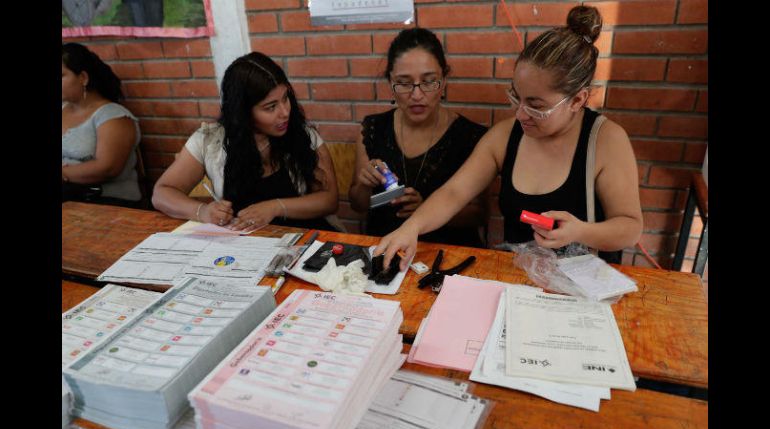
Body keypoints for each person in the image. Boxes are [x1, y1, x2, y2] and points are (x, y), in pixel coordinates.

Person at [375, 5, 642, 269]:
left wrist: (580, 231)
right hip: (519, 277)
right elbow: (454, 193)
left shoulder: (606, 140)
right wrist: (412, 227)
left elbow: (630, 228)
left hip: (583, 282)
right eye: (516, 97)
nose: (520, 114)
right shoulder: (505, 136)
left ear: (577, 100)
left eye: (536, 106)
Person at [152, 52, 340, 232]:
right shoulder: (210, 140)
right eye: (271, 107)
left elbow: (329, 200)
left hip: (303, 237)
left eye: (285, 98)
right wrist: (203, 211)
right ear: (243, 112)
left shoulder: (304, 135)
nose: (285, 112)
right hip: (243, 242)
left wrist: (276, 207)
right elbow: (162, 193)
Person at [348, 28, 488, 248]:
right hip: (385, 247)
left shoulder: (470, 136)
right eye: (404, 83)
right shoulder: (373, 129)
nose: (416, 95)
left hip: (447, 251)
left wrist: (426, 209)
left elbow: (479, 214)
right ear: (390, 83)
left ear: (444, 80)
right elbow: (359, 205)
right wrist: (365, 185)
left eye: (429, 81)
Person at [62, 43, 142, 206]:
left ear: (83, 77)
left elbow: (107, 169)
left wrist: (63, 173)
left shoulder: (113, 116)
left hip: (107, 200)